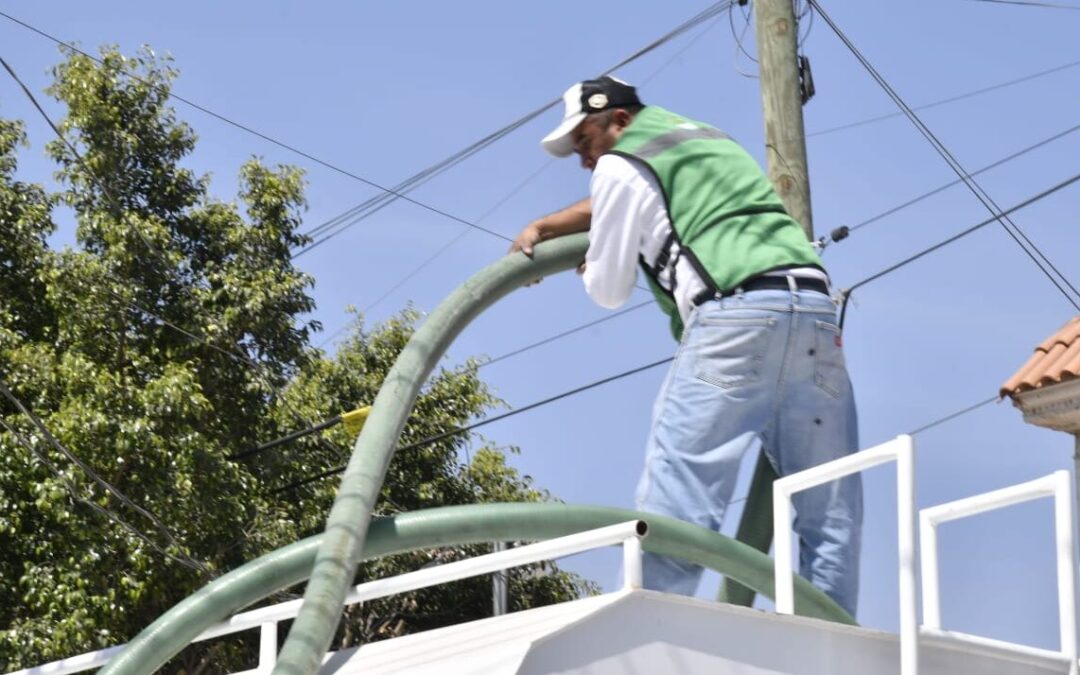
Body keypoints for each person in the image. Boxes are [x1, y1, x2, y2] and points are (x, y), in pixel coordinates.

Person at [510, 76, 862, 617]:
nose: (584, 159)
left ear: (619, 121)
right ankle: (835, 636)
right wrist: (550, 223)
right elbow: (630, 192)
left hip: (735, 322)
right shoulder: (704, 140)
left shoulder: (618, 163)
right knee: (828, 508)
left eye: (585, 141)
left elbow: (609, 288)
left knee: (681, 501)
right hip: (814, 314)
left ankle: (655, 629)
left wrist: (591, 261)